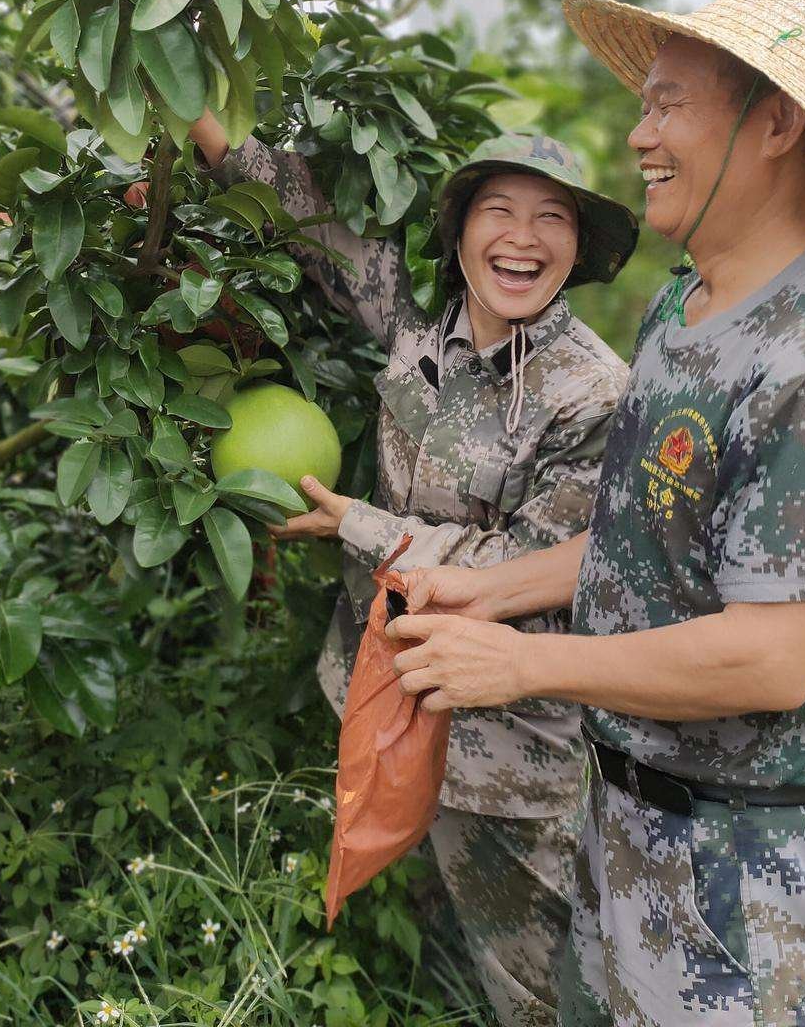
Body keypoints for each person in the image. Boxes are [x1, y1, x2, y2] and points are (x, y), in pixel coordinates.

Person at [389, 0, 805, 1026]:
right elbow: (638, 544)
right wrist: (489, 594)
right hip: (622, 820)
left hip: (743, 872)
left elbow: (769, 658)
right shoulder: (685, 310)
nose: (639, 134)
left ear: (772, 123)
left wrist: (523, 663)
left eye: (667, 102)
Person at [188, 112, 640, 1026]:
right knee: (430, 941)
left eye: (552, 218)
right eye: (500, 211)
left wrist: (356, 523)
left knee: (538, 982)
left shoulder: (593, 393)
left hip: (503, 743)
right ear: (461, 230)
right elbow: (307, 220)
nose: (523, 237)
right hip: (384, 682)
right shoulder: (414, 327)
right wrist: (192, 105)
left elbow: (528, 566)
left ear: (578, 247)